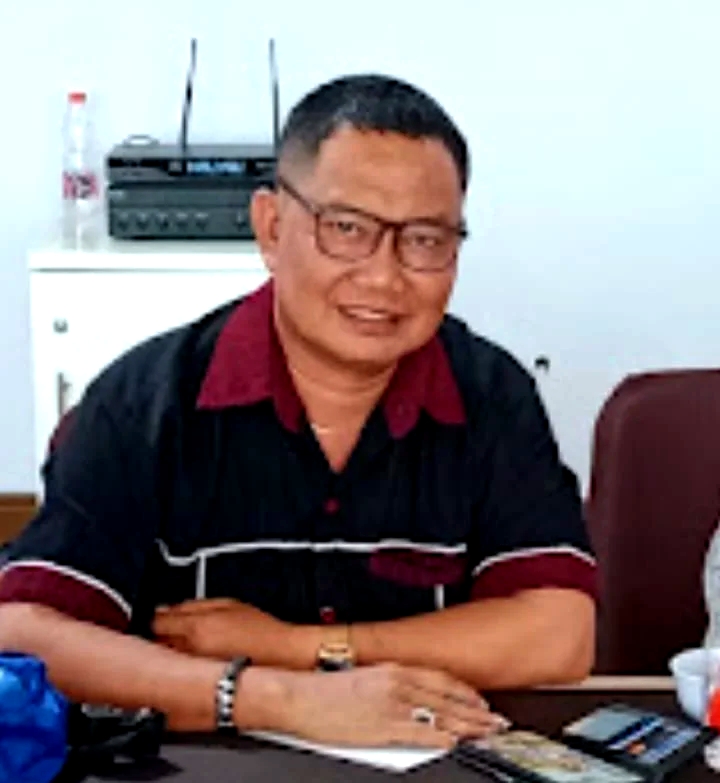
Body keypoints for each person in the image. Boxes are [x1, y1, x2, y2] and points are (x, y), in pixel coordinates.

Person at [0, 74, 596, 749]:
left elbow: (558, 635)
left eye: (426, 240)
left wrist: (297, 647)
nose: (384, 276)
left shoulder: (491, 395)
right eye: (347, 229)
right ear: (272, 227)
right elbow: (25, 633)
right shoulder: (144, 402)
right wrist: (276, 698)